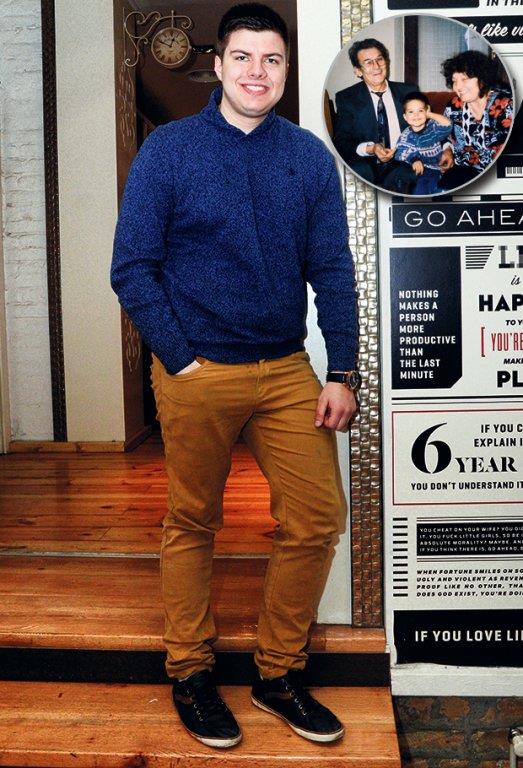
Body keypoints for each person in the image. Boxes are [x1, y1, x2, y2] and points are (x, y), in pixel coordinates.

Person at [111, 2, 360, 751]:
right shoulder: (170, 151)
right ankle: (190, 672)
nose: (258, 71)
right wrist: (179, 357)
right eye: (243, 57)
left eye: (272, 59)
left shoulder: (307, 157)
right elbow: (132, 267)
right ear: (217, 66)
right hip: (199, 371)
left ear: (285, 72)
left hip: (285, 368)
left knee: (316, 519)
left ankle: (277, 675)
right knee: (193, 522)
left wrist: (341, 370)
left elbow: (332, 269)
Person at [333, 38, 452, 193]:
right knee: (360, 172)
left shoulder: (408, 91)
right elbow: (341, 140)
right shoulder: (347, 98)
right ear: (358, 71)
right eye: (368, 62)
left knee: (412, 174)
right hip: (365, 162)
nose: (376, 66)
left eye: (379, 59)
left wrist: (447, 149)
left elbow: (429, 125)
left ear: (386, 62)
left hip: (404, 160)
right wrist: (371, 148)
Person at [439, 49, 513, 191]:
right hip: (462, 170)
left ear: (482, 79)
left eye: (464, 79)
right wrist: (447, 150)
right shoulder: (454, 106)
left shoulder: (505, 105)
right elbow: (442, 134)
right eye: (454, 81)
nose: (458, 87)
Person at [394, 91, 452, 195]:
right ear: (405, 117)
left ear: (427, 111)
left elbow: (447, 125)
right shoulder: (406, 135)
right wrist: (414, 160)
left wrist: (430, 114)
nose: (416, 115)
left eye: (420, 110)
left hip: (442, 165)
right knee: (422, 186)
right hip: (424, 168)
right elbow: (401, 152)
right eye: (411, 112)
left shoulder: (433, 127)